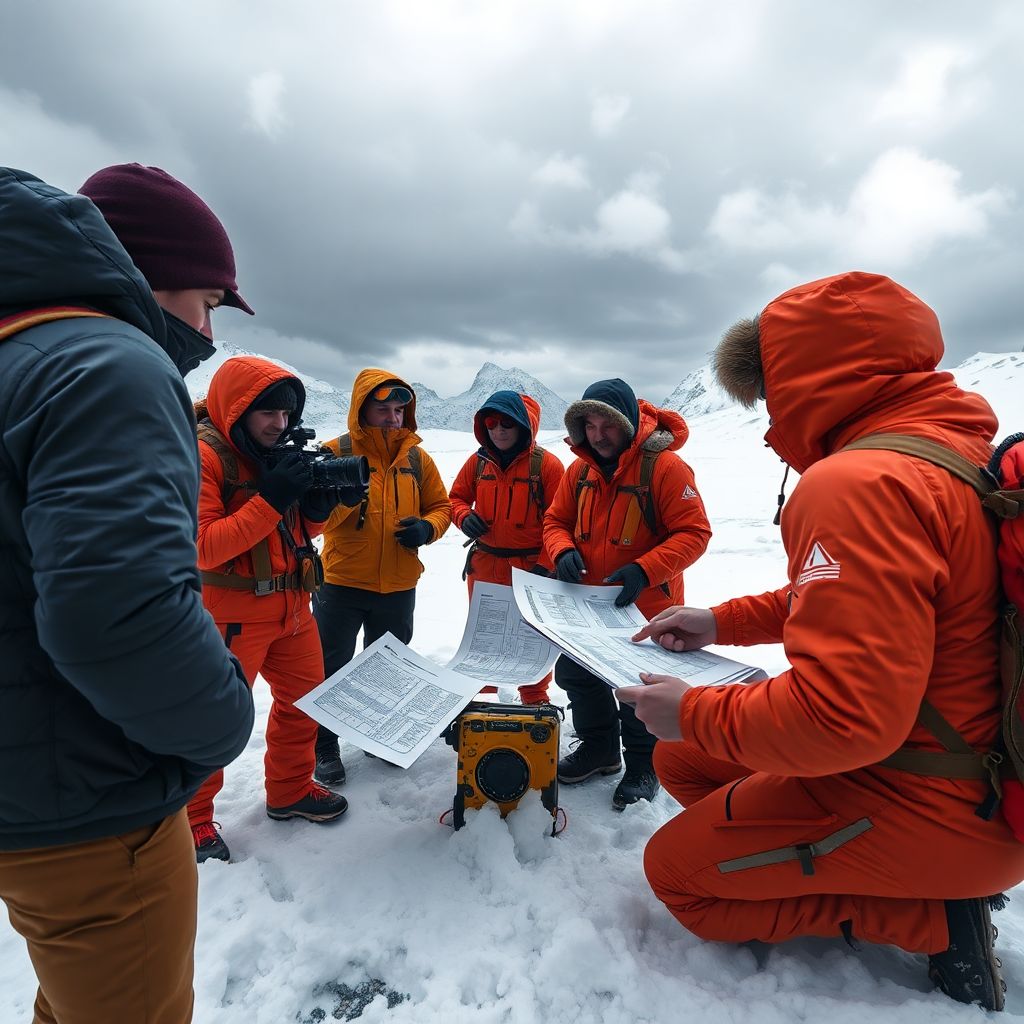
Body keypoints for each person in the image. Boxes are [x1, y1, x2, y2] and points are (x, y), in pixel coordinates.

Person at [626, 271, 1024, 1012]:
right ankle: (860, 861)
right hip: (976, 772)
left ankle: (930, 914)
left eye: (771, 389)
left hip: (932, 796)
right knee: (682, 759)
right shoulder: (949, 455)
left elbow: (841, 721)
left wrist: (694, 709)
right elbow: (867, 597)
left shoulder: (858, 484)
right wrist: (723, 622)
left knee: (678, 878)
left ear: (807, 377)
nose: (770, 415)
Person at [0, 164, 255, 1023]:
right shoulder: (109, 364)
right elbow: (115, 615)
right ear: (147, 276)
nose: (209, 330)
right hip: (88, 804)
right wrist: (218, 724)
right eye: (210, 300)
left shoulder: (15, 353)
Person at [189, 356, 359, 861]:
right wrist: (270, 497)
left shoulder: (271, 452)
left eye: (286, 415)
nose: (279, 425)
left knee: (305, 703)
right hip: (229, 614)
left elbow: (290, 535)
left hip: (293, 606)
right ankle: (193, 819)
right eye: (268, 413)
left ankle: (289, 791)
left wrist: (316, 511)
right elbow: (201, 546)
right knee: (211, 722)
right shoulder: (203, 456)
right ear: (237, 408)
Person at [543, 378, 711, 809]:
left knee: (639, 689)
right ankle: (600, 751)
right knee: (578, 677)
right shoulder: (578, 471)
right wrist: (561, 550)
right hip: (585, 606)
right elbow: (554, 520)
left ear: (629, 424)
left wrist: (644, 570)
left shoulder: (665, 468)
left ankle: (643, 764)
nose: (598, 436)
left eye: (608, 426)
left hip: (646, 609)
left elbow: (694, 533)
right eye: (591, 426)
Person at [312, 369, 452, 782]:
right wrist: (345, 502)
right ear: (362, 409)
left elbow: (441, 506)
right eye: (383, 409)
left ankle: (378, 735)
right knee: (329, 665)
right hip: (340, 581)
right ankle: (324, 745)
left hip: (398, 583)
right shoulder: (333, 452)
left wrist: (429, 528)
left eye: (398, 410)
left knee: (387, 664)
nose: (393, 418)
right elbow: (314, 519)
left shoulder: (416, 458)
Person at [449, 390, 565, 703]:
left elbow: (563, 521)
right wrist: (463, 516)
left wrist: (546, 566)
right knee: (485, 634)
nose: (498, 429)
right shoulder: (477, 462)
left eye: (507, 423)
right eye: (491, 422)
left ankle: (535, 697)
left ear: (524, 427)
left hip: (531, 568)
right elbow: (456, 498)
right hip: (485, 564)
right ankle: (482, 697)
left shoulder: (548, 467)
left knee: (532, 635)